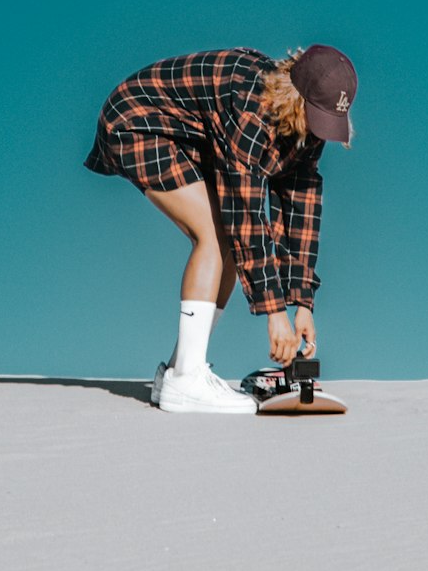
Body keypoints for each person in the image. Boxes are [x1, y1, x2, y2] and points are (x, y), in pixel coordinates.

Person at [82, 43, 358, 414]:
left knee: (225, 238)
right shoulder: (250, 106)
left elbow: (301, 207)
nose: (318, 130)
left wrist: (302, 304)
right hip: (137, 122)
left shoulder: (306, 132)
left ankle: (179, 372)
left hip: (188, 137)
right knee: (214, 235)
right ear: (295, 98)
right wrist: (275, 314)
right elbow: (245, 214)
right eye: (315, 116)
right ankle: (186, 380)